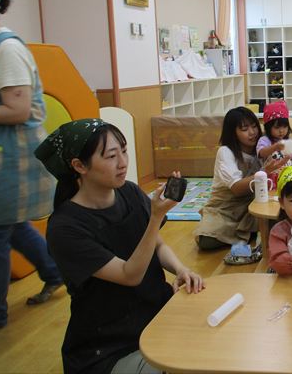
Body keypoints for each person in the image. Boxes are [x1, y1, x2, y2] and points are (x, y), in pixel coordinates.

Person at [35, 119, 204, 374]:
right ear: (79, 166)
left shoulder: (130, 192)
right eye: (111, 156)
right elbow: (129, 275)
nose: (123, 162)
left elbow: (157, 245)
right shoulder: (65, 228)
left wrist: (181, 269)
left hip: (156, 315)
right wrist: (155, 217)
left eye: (123, 151)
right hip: (109, 345)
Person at [0, 0, 63, 332]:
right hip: (1, 155)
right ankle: (54, 272)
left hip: (11, 157)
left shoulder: (5, 49)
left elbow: (18, 109)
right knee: (11, 225)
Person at [194, 107, 288, 256]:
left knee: (281, 218)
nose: (252, 132)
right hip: (225, 208)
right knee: (207, 240)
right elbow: (236, 188)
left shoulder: (263, 147)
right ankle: (248, 233)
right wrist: (264, 172)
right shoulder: (226, 152)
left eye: (254, 126)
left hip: (256, 202)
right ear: (233, 133)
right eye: (244, 129)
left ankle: (249, 233)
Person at [256, 100, 292, 185]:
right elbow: (261, 153)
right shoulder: (265, 140)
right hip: (269, 178)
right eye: (277, 127)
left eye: (285, 127)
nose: (281, 131)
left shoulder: (288, 142)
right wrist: (275, 147)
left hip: (288, 177)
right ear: (268, 127)